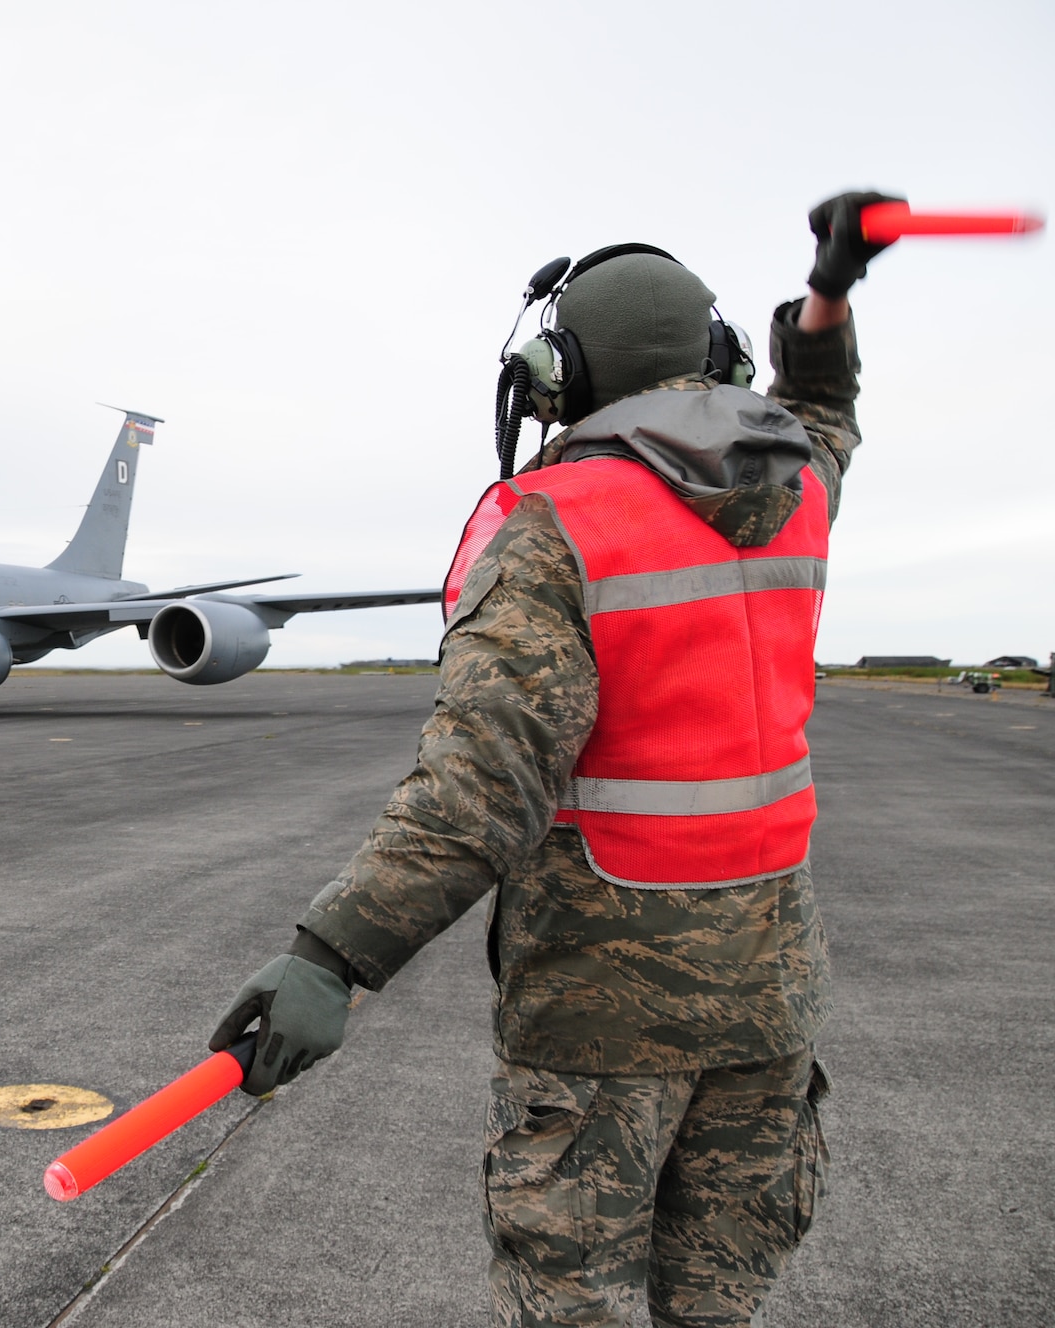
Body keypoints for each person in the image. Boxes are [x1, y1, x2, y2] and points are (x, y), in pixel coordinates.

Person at [210, 192, 900, 1328]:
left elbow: (480, 784)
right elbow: (822, 404)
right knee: (718, 1302)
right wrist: (828, 291)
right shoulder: (795, 493)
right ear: (718, 355)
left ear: (553, 375)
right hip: (768, 999)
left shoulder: (551, 523)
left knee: (568, 1301)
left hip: (599, 1014)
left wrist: (331, 954)